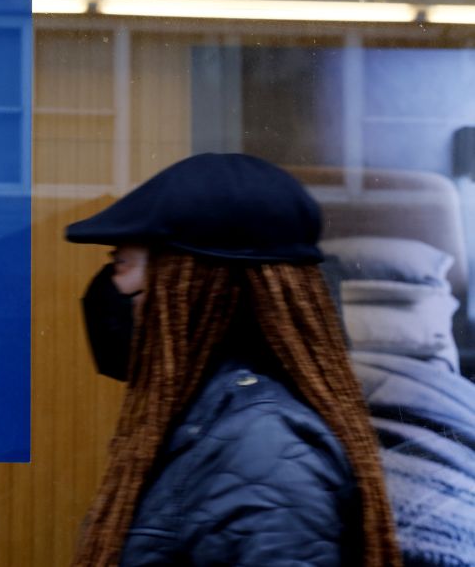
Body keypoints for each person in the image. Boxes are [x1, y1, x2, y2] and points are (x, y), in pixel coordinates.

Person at [65, 153, 401, 567]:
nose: (110, 287)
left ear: (191, 283)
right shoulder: (213, 422)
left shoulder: (265, 452)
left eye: (121, 264)